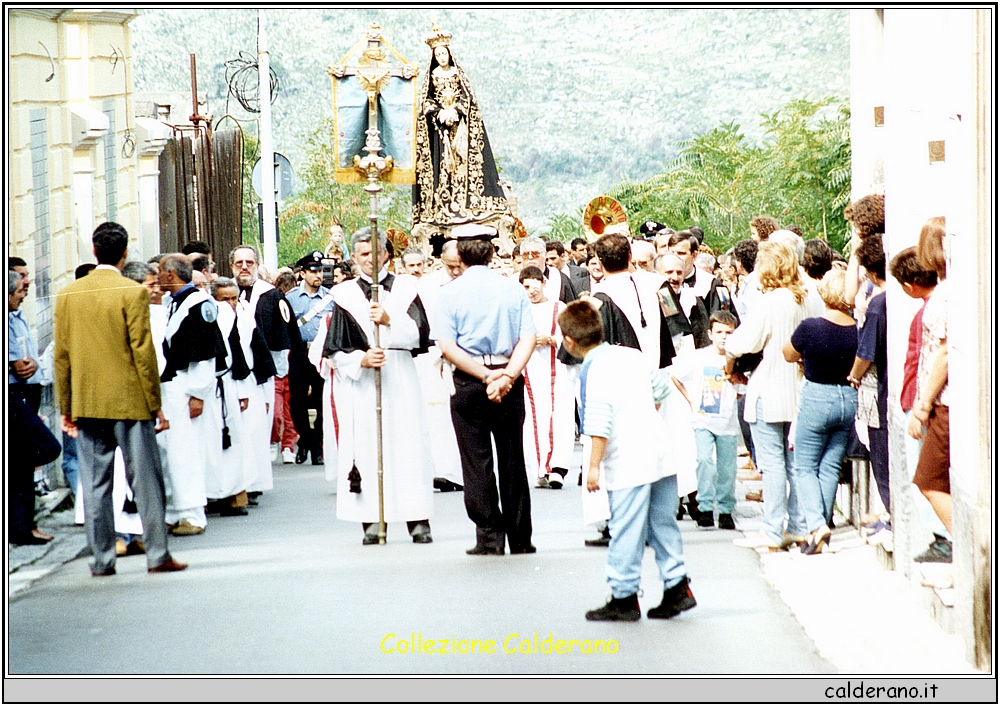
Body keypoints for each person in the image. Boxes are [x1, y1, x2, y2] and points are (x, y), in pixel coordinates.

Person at [54, 222, 185, 575]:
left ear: (94, 252)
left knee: (96, 484)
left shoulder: (69, 294)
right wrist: (155, 404)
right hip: (129, 402)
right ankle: (158, 554)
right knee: (145, 480)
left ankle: (102, 560)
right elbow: (143, 352)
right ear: (124, 253)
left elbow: (62, 356)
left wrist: (66, 408)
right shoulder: (132, 293)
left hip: (87, 402)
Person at [560, 301, 695, 621]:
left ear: (569, 341)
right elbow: (661, 391)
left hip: (628, 461)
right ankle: (677, 585)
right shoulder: (632, 355)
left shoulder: (593, 371)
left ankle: (623, 595)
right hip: (660, 451)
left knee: (624, 527)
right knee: (662, 522)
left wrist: (592, 466)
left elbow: (598, 422)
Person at [318, 227, 434, 545]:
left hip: (399, 376)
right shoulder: (344, 295)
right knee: (366, 447)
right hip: (365, 383)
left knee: (407, 445)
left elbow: (421, 335)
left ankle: (416, 518)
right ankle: (370, 518)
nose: (370, 259)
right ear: (354, 257)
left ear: (386, 253)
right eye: (363, 254)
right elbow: (335, 348)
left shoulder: (407, 288)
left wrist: (388, 321)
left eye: (376, 252)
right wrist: (361, 360)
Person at [434, 223, 537, 555]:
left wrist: (485, 376)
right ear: (493, 253)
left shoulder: (448, 293)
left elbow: (447, 346)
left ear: (460, 255)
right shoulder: (513, 289)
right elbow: (528, 338)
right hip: (508, 376)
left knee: (475, 460)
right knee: (512, 458)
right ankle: (521, 538)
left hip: (469, 379)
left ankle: (489, 535)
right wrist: (505, 376)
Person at [725, 240, 809, 552]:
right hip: (799, 390)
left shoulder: (770, 301)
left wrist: (730, 365)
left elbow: (739, 342)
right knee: (796, 464)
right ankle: (799, 525)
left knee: (772, 465)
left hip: (769, 387)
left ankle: (773, 530)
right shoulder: (808, 299)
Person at [783, 268, 858, 555]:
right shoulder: (857, 329)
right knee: (830, 466)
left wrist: (805, 357)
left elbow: (788, 353)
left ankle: (815, 525)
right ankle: (821, 525)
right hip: (847, 397)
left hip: (817, 395)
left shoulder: (810, 327)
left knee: (804, 466)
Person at [412, 23, 509, 233]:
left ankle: (467, 203)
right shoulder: (432, 76)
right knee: (444, 166)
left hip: (461, 127)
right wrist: (439, 113)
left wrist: (456, 110)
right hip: (441, 130)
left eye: (443, 53)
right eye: (437, 54)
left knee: (463, 162)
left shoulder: (458, 74)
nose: (441, 57)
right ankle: (442, 207)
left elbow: (467, 97)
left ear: (449, 53)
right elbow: (426, 101)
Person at [158, 254, 227, 536]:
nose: (158, 277)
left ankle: (193, 514)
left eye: (161, 273)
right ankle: (175, 511)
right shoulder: (174, 303)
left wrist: (199, 393)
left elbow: (206, 355)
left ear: (172, 275)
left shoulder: (198, 305)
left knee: (186, 453)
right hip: (173, 387)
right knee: (172, 452)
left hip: (188, 387)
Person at [889, 246, 950, 561]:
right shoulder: (931, 307)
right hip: (923, 401)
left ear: (909, 286)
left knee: (925, 476)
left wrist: (917, 405)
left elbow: (922, 362)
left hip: (921, 402)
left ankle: (944, 536)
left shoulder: (927, 313)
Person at [671, 311, 742, 530]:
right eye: (719, 332)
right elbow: (676, 375)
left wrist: (733, 396)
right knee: (703, 461)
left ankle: (726, 509)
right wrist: (691, 400)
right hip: (703, 420)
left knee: (727, 468)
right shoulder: (699, 357)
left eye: (729, 332)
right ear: (710, 334)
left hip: (727, 422)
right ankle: (704, 507)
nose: (724, 337)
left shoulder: (737, 359)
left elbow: (741, 387)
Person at [231, 245, 291, 502]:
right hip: (231, 376)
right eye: (239, 263)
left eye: (249, 262)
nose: (244, 267)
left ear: (257, 264)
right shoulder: (222, 294)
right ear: (232, 266)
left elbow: (282, 341)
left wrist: (273, 376)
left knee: (256, 429)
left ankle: (253, 484)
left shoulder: (272, 297)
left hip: (260, 376)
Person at [907, 218, 952, 562]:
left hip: (943, 401)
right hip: (946, 400)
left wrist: (922, 405)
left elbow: (943, 353)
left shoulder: (943, 298)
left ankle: (962, 550)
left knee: (929, 480)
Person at [413, 238, 465, 492]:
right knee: (438, 415)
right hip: (435, 357)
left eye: (459, 266)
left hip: (468, 358)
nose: (455, 271)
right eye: (450, 266)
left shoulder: (472, 281)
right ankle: (443, 470)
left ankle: (463, 472)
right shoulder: (428, 285)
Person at [518, 266, 574, 489]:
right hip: (531, 370)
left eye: (534, 285)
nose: (531, 291)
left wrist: (551, 339)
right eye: (526, 287)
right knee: (535, 417)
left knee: (559, 414)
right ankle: (541, 467)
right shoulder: (520, 310)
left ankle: (557, 467)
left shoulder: (558, 308)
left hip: (557, 369)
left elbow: (571, 336)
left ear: (543, 282)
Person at [847, 236, 890, 520]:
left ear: (871, 272)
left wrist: (854, 374)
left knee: (880, 456)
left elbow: (866, 353)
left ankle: (889, 514)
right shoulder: (890, 301)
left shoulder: (876, 306)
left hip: (877, 388)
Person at [286, 250, 335, 466]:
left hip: (322, 353)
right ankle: (305, 438)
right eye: (313, 271)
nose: (318, 275)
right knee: (298, 402)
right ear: (303, 273)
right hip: (299, 354)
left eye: (321, 271)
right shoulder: (290, 298)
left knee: (320, 400)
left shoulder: (331, 298)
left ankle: (317, 446)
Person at [8, 270, 43, 413]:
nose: (23, 295)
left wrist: (35, 363)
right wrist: (33, 364)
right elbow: (23, 369)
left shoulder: (14, 316)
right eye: (19, 291)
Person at [519, 237, 576, 304]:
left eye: (535, 254)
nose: (530, 257)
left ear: (545, 255)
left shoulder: (559, 278)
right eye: (525, 254)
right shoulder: (513, 280)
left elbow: (572, 309)